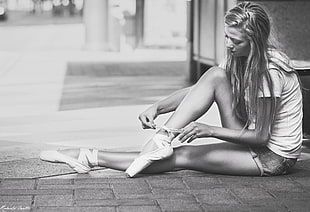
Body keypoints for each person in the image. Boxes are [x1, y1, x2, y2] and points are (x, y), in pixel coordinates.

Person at [40, 2, 303, 177]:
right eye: (226, 36)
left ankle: (90, 156)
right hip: (247, 133)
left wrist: (208, 130)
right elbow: (200, 88)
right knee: (214, 75)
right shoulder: (238, 56)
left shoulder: (270, 71)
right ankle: (161, 138)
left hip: (272, 156)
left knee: (182, 156)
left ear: (254, 41)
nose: (228, 44)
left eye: (235, 40)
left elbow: (260, 137)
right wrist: (158, 106)